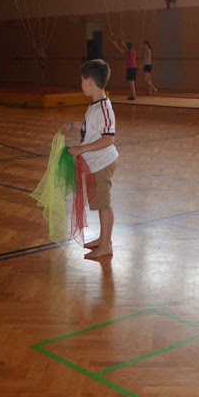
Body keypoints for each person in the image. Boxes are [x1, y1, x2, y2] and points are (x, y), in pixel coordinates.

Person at [60, 59, 118, 260]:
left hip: (103, 163)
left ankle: (106, 245)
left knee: (103, 204)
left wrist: (82, 149)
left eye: (82, 80)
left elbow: (108, 139)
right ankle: (103, 239)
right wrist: (72, 126)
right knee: (99, 203)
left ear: (90, 82)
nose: (81, 84)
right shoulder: (95, 105)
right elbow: (89, 127)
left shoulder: (104, 108)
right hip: (95, 163)